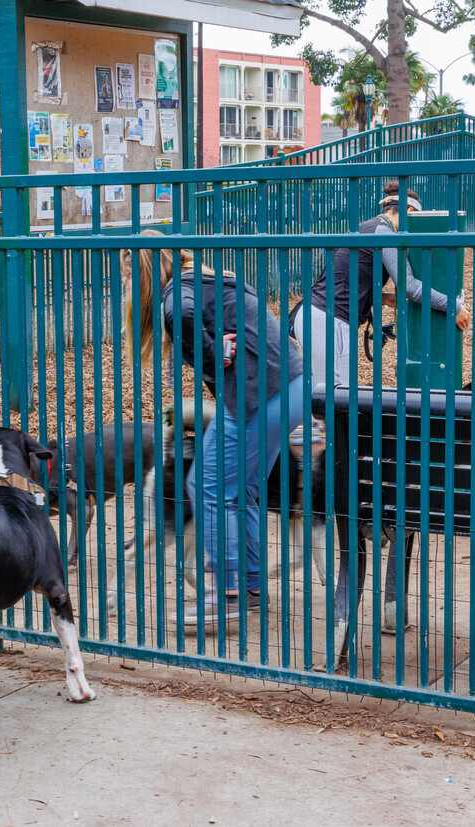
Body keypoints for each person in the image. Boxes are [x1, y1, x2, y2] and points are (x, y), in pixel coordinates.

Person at [120, 230, 306, 627]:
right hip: (289, 387)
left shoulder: (176, 295)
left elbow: (183, 316)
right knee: (242, 488)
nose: (126, 287)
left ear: (143, 274)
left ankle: (228, 592)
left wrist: (213, 354)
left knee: (207, 484)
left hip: (261, 393)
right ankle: (251, 587)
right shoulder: (205, 279)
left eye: (127, 278)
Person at [292, 181, 472, 395]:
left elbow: (349, 277)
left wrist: (382, 297)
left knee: (330, 395)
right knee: (336, 397)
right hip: (328, 320)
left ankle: (324, 428)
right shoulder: (384, 234)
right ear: (409, 211)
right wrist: (453, 305)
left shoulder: (366, 227)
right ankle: (326, 429)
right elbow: (410, 286)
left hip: (318, 315)